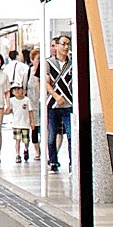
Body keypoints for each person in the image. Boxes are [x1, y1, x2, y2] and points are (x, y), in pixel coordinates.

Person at [44, 35, 74, 172]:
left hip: (68, 104)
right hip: (52, 105)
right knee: (51, 135)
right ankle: (53, 161)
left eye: (68, 44)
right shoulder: (49, 63)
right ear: (56, 46)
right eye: (63, 44)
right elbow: (46, 83)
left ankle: (73, 162)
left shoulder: (72, 64)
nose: (66, 47)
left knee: (70, 135)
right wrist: (56, 96)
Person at [8, 82, 35, 165]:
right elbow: (9, 110)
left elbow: (30, 111)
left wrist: (32, 122)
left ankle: (26, 149)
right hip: (16, 123)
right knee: (17, 140)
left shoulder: (26, 100)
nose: (16, 91)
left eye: (18, 89)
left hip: (25, 123)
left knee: (26, 140)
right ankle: (17, 154)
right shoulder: (12, 100)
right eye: (15, 90)